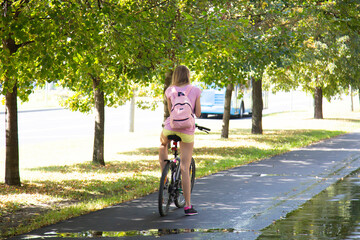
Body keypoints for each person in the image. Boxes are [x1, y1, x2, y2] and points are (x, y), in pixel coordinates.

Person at [159, 65, 201, 216]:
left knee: (163, 144)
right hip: (187, 131)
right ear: (188, 75)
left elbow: (171, 111)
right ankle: (188, 206)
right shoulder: (195, 90)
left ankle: (164, 174)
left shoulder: (169, 90)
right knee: (185, 167)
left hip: (171, 128)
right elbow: (198, 113)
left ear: (175, 76)